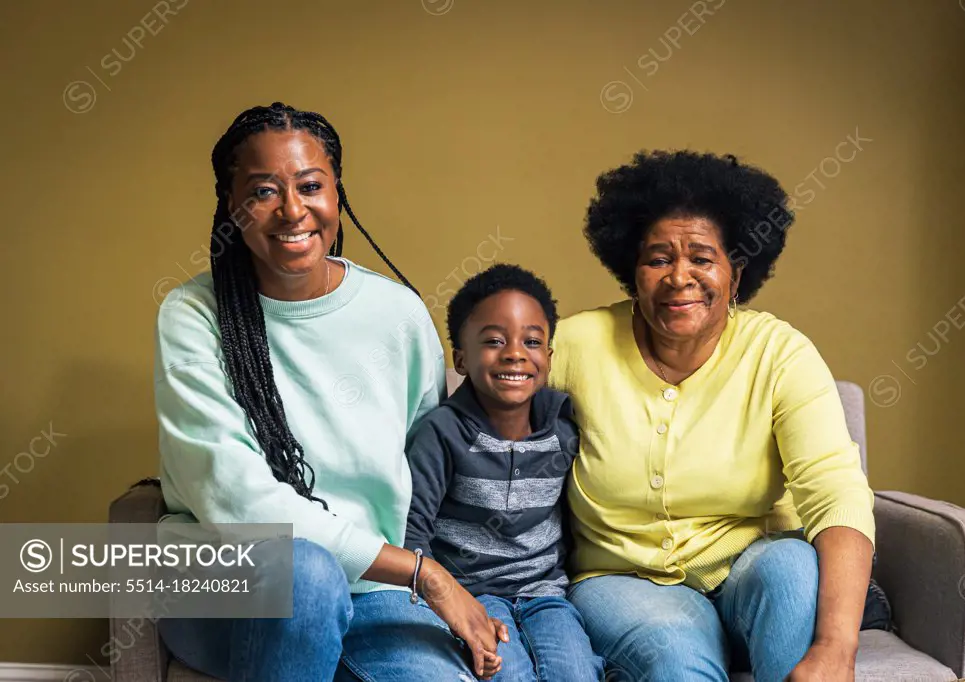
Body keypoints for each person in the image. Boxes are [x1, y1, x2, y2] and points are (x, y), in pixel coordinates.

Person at [154, 102, 503, 682]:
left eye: (310, 186)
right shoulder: (192, 315)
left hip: (372, 591)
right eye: (263, 192)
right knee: (307, 574)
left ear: (337, 193)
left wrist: (448, 575)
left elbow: (430, 466)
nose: (293, 211)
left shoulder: (397, 313)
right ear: (231, 205)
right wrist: (426, 575)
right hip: (228, 585)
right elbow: (237, 503)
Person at [548, 151, 876, 682]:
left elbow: (835, 490)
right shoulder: (575, 344)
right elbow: (480, 422)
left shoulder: (779, 352)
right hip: (622, 579)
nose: (680, 277)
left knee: (792, 567)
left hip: (748, 568)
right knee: (677, 655)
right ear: (632, 272)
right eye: (658, 259)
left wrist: (836, 649)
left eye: (702, 258)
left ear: (736, 272)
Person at [404, 264, 603, 682]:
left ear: (548, 357)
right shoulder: (444, 432)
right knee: (506, 674)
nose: (514, 352)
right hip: (473, 596)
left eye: (532, 341)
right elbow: (413, 531)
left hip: (546, 594)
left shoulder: (564, 430)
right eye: (494, 341)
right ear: (461, 357)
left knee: (576, 672)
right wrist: (441, 602)